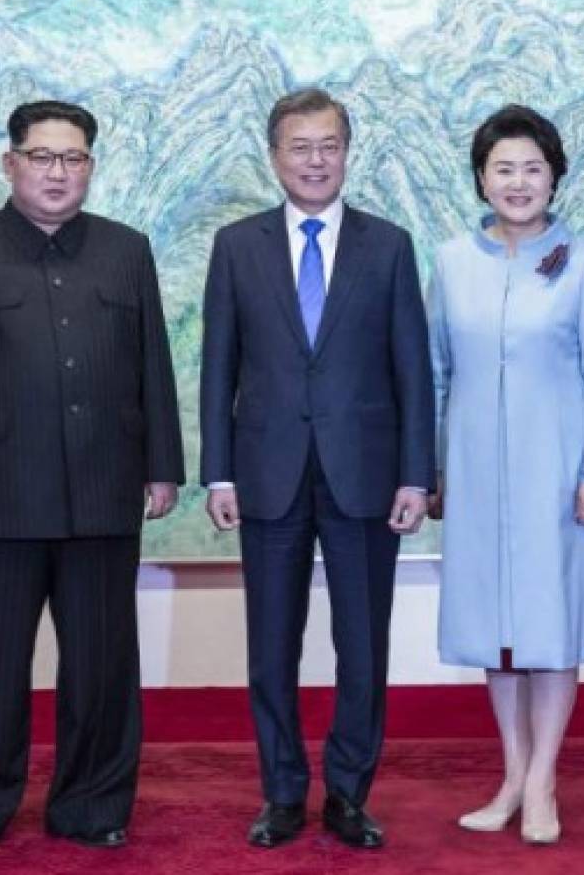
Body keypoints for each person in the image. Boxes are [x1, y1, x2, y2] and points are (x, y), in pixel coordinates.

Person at [0, 99, 184, 854]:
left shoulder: (127, 251)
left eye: (73, 158)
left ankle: (93, 805)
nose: (57, 172)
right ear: (10, 163)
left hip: (103, 492)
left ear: (90, 166)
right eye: (42, 156)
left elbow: (152, 364)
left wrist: (164, 466)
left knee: (101, 664)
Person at [199, 88, 435, 850]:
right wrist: (219, 473)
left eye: (328, 145)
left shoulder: (388, 245)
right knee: (272, 644)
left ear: (347, 151)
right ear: (274, 157)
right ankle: (282, 792)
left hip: (366, 473)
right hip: (266, 472)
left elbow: (412, 370)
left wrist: (415, 475)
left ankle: (348, 794)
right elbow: (217, 368)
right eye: (300, 146)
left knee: (363, 644)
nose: (315, 160)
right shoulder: (237, 246)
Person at [426, 103, 584, 844]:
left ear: (554, 176)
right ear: (481, 178)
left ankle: (543, 782)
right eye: (503, 168)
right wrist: (432, 470)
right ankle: (512, 774)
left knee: (550, 626)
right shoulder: (450, 262)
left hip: (559, 473)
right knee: (496, 633)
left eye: (532, 168)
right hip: (476, 474)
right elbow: (436, 373)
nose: (518, 182)